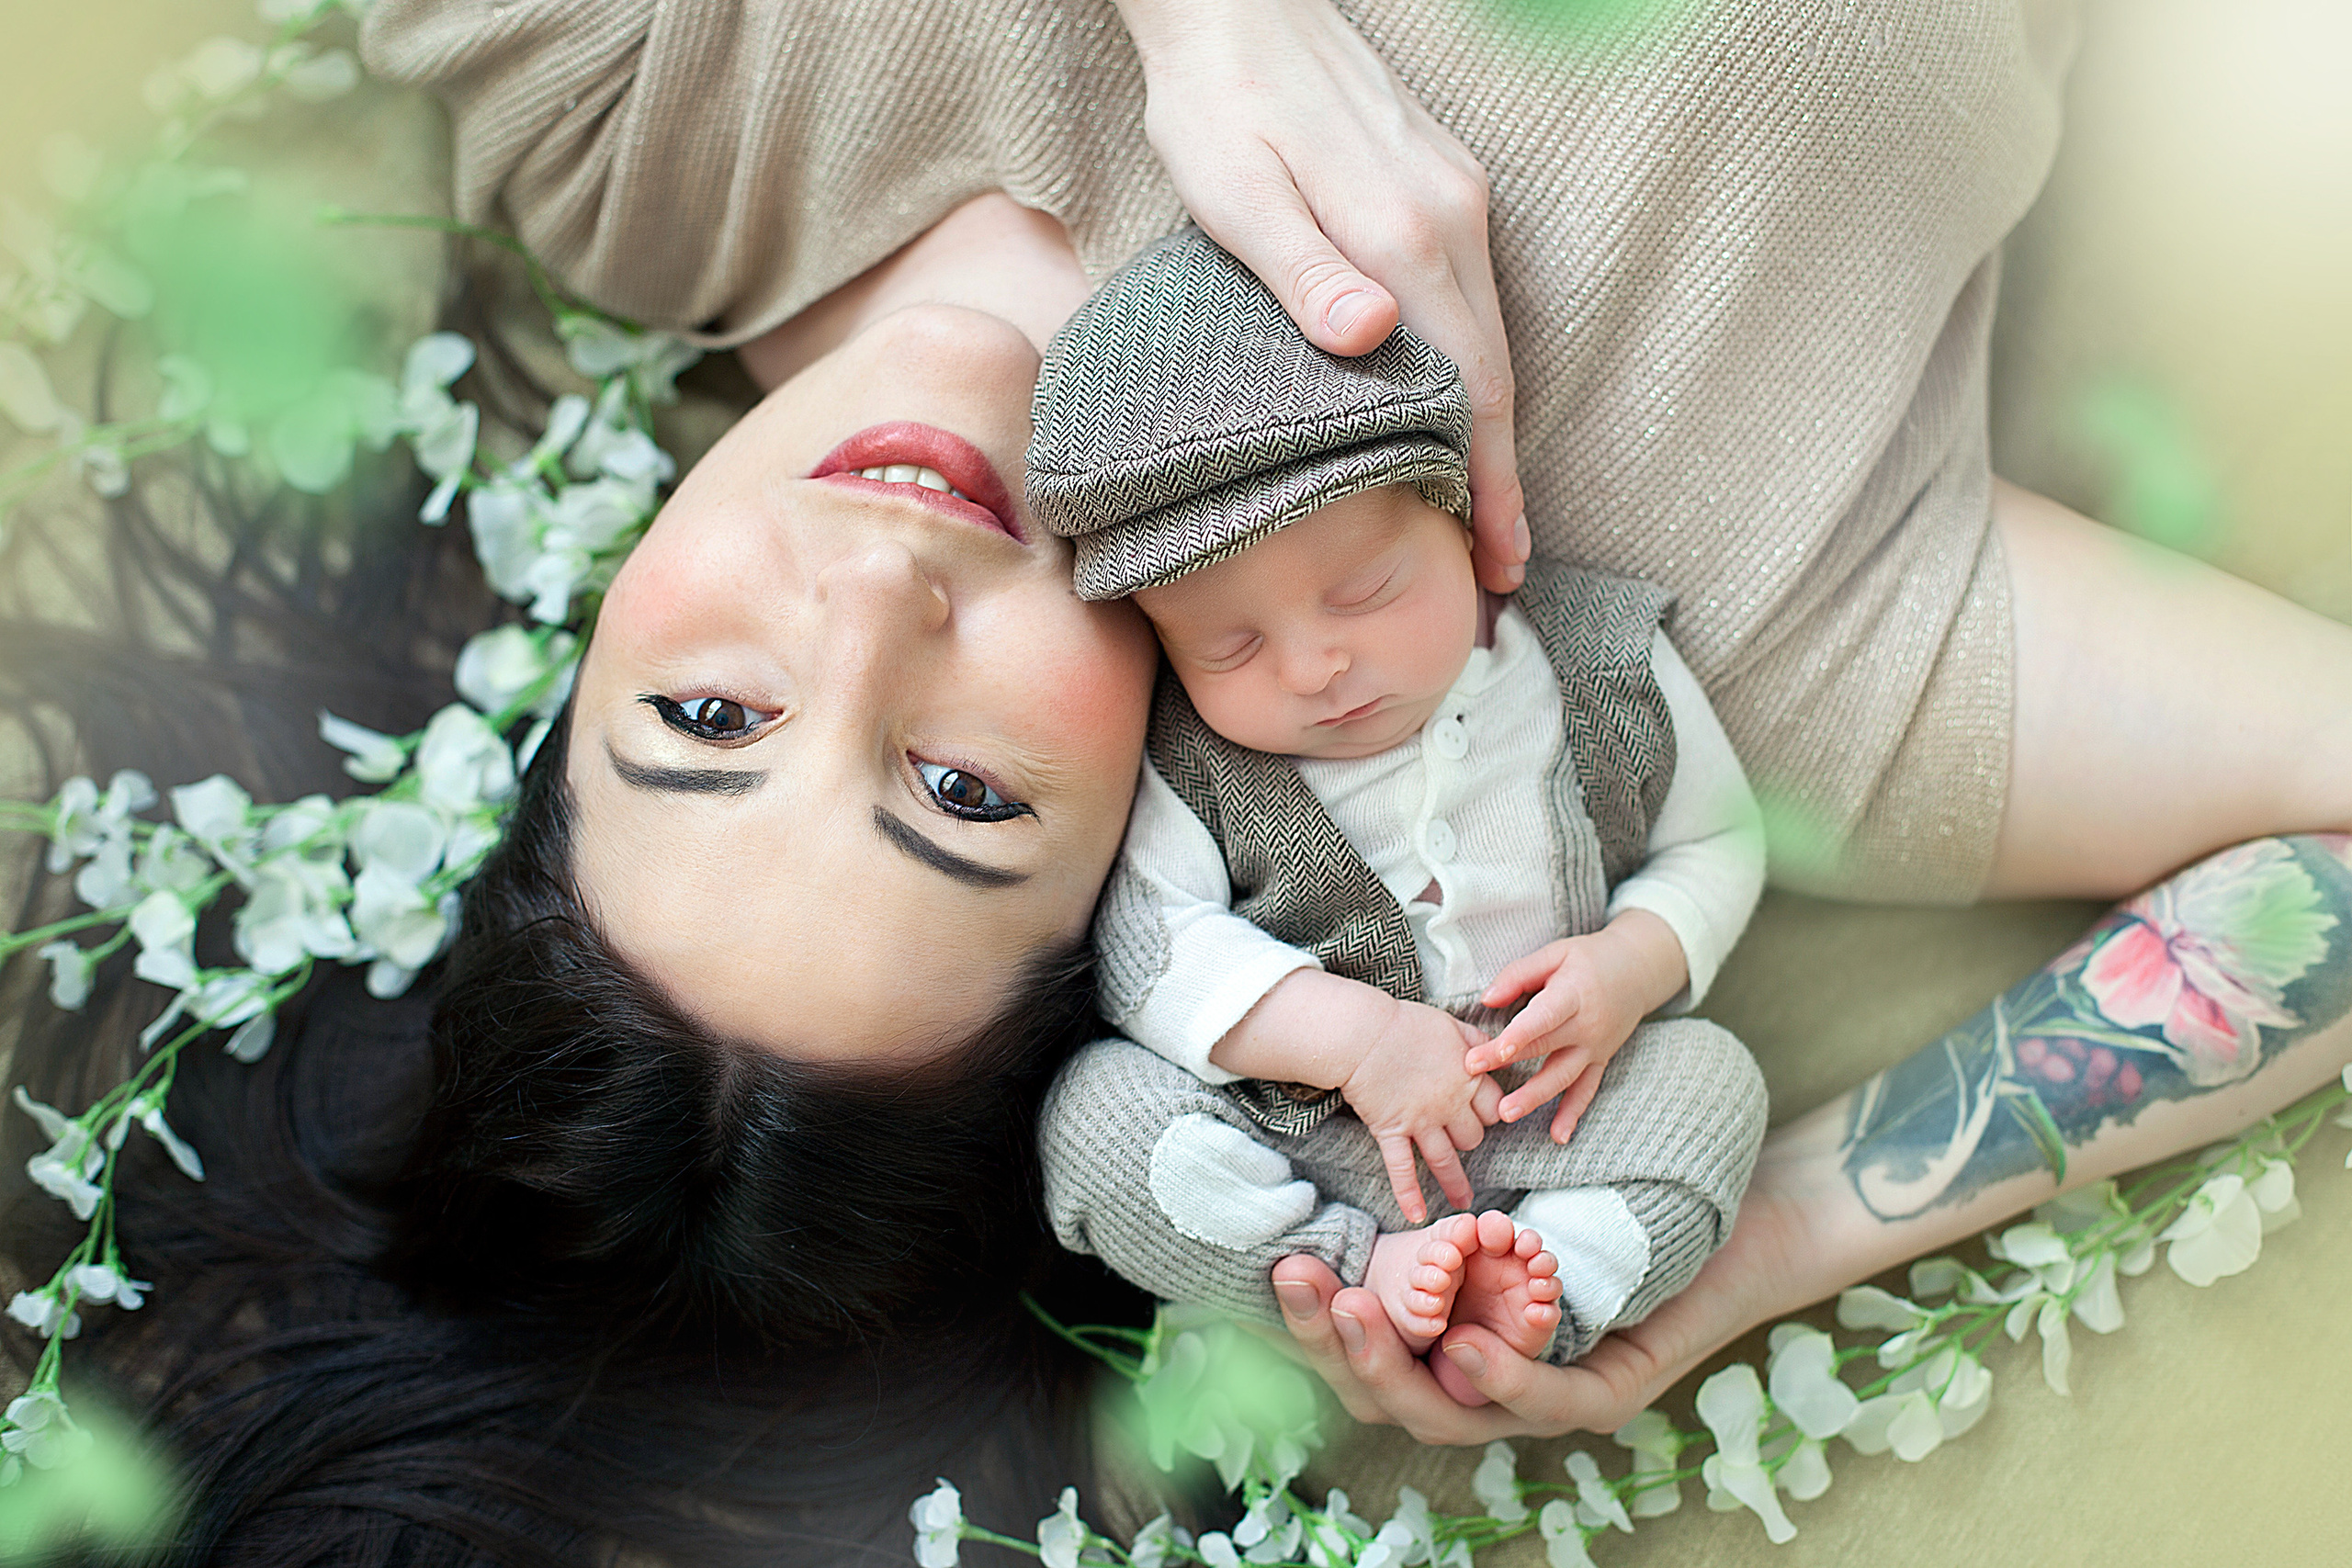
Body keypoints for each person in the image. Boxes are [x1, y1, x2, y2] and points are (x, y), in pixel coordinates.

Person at [352, 0, 2352, 1452]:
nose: (875, 602)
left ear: (590, 657)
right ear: (1137, 869)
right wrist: (1743, 1241)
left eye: (709, 713)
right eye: (958, 790)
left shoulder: (619, 125)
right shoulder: (1697, 659)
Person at [1023, 227, 1768, 1404]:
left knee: (1715, 1086)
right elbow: (1147, 948)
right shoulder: (1192, 755)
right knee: (1095, 1122)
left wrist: (1634, 962)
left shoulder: (1601, 664)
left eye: (1365, 590)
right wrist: (1355, 1044)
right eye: (1232, 643)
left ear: (1465, 523)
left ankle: (1536, 1292)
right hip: (1315, 1136)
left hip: (1557, 1107)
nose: (1316, 665)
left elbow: (1718, 840)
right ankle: (1352, 1275)